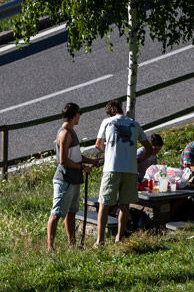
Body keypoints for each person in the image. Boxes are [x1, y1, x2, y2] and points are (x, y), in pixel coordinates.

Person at [94, 99, 150, 247]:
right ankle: (120, 237)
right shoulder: (134, 123)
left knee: (104, 204)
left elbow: (98, 144)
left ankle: (100, 241)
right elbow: (149, 149)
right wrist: (139, 160)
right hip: (130, 170)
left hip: (112, 168)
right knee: (125, 205)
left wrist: (110, 152)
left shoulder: (107, 122)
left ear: (109, 112)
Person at [47, 102, 98, 250]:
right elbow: (63, 160)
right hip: (64, 179)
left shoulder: (71, 131)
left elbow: (75, 155)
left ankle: (72, 244)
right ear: (75, 115)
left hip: (74, 179)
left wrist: (91, 161)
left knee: (71, 212)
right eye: (79, 114)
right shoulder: (64, 133)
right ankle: (50, 247)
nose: (79, 117)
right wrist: (82, 167)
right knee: (56, 214)